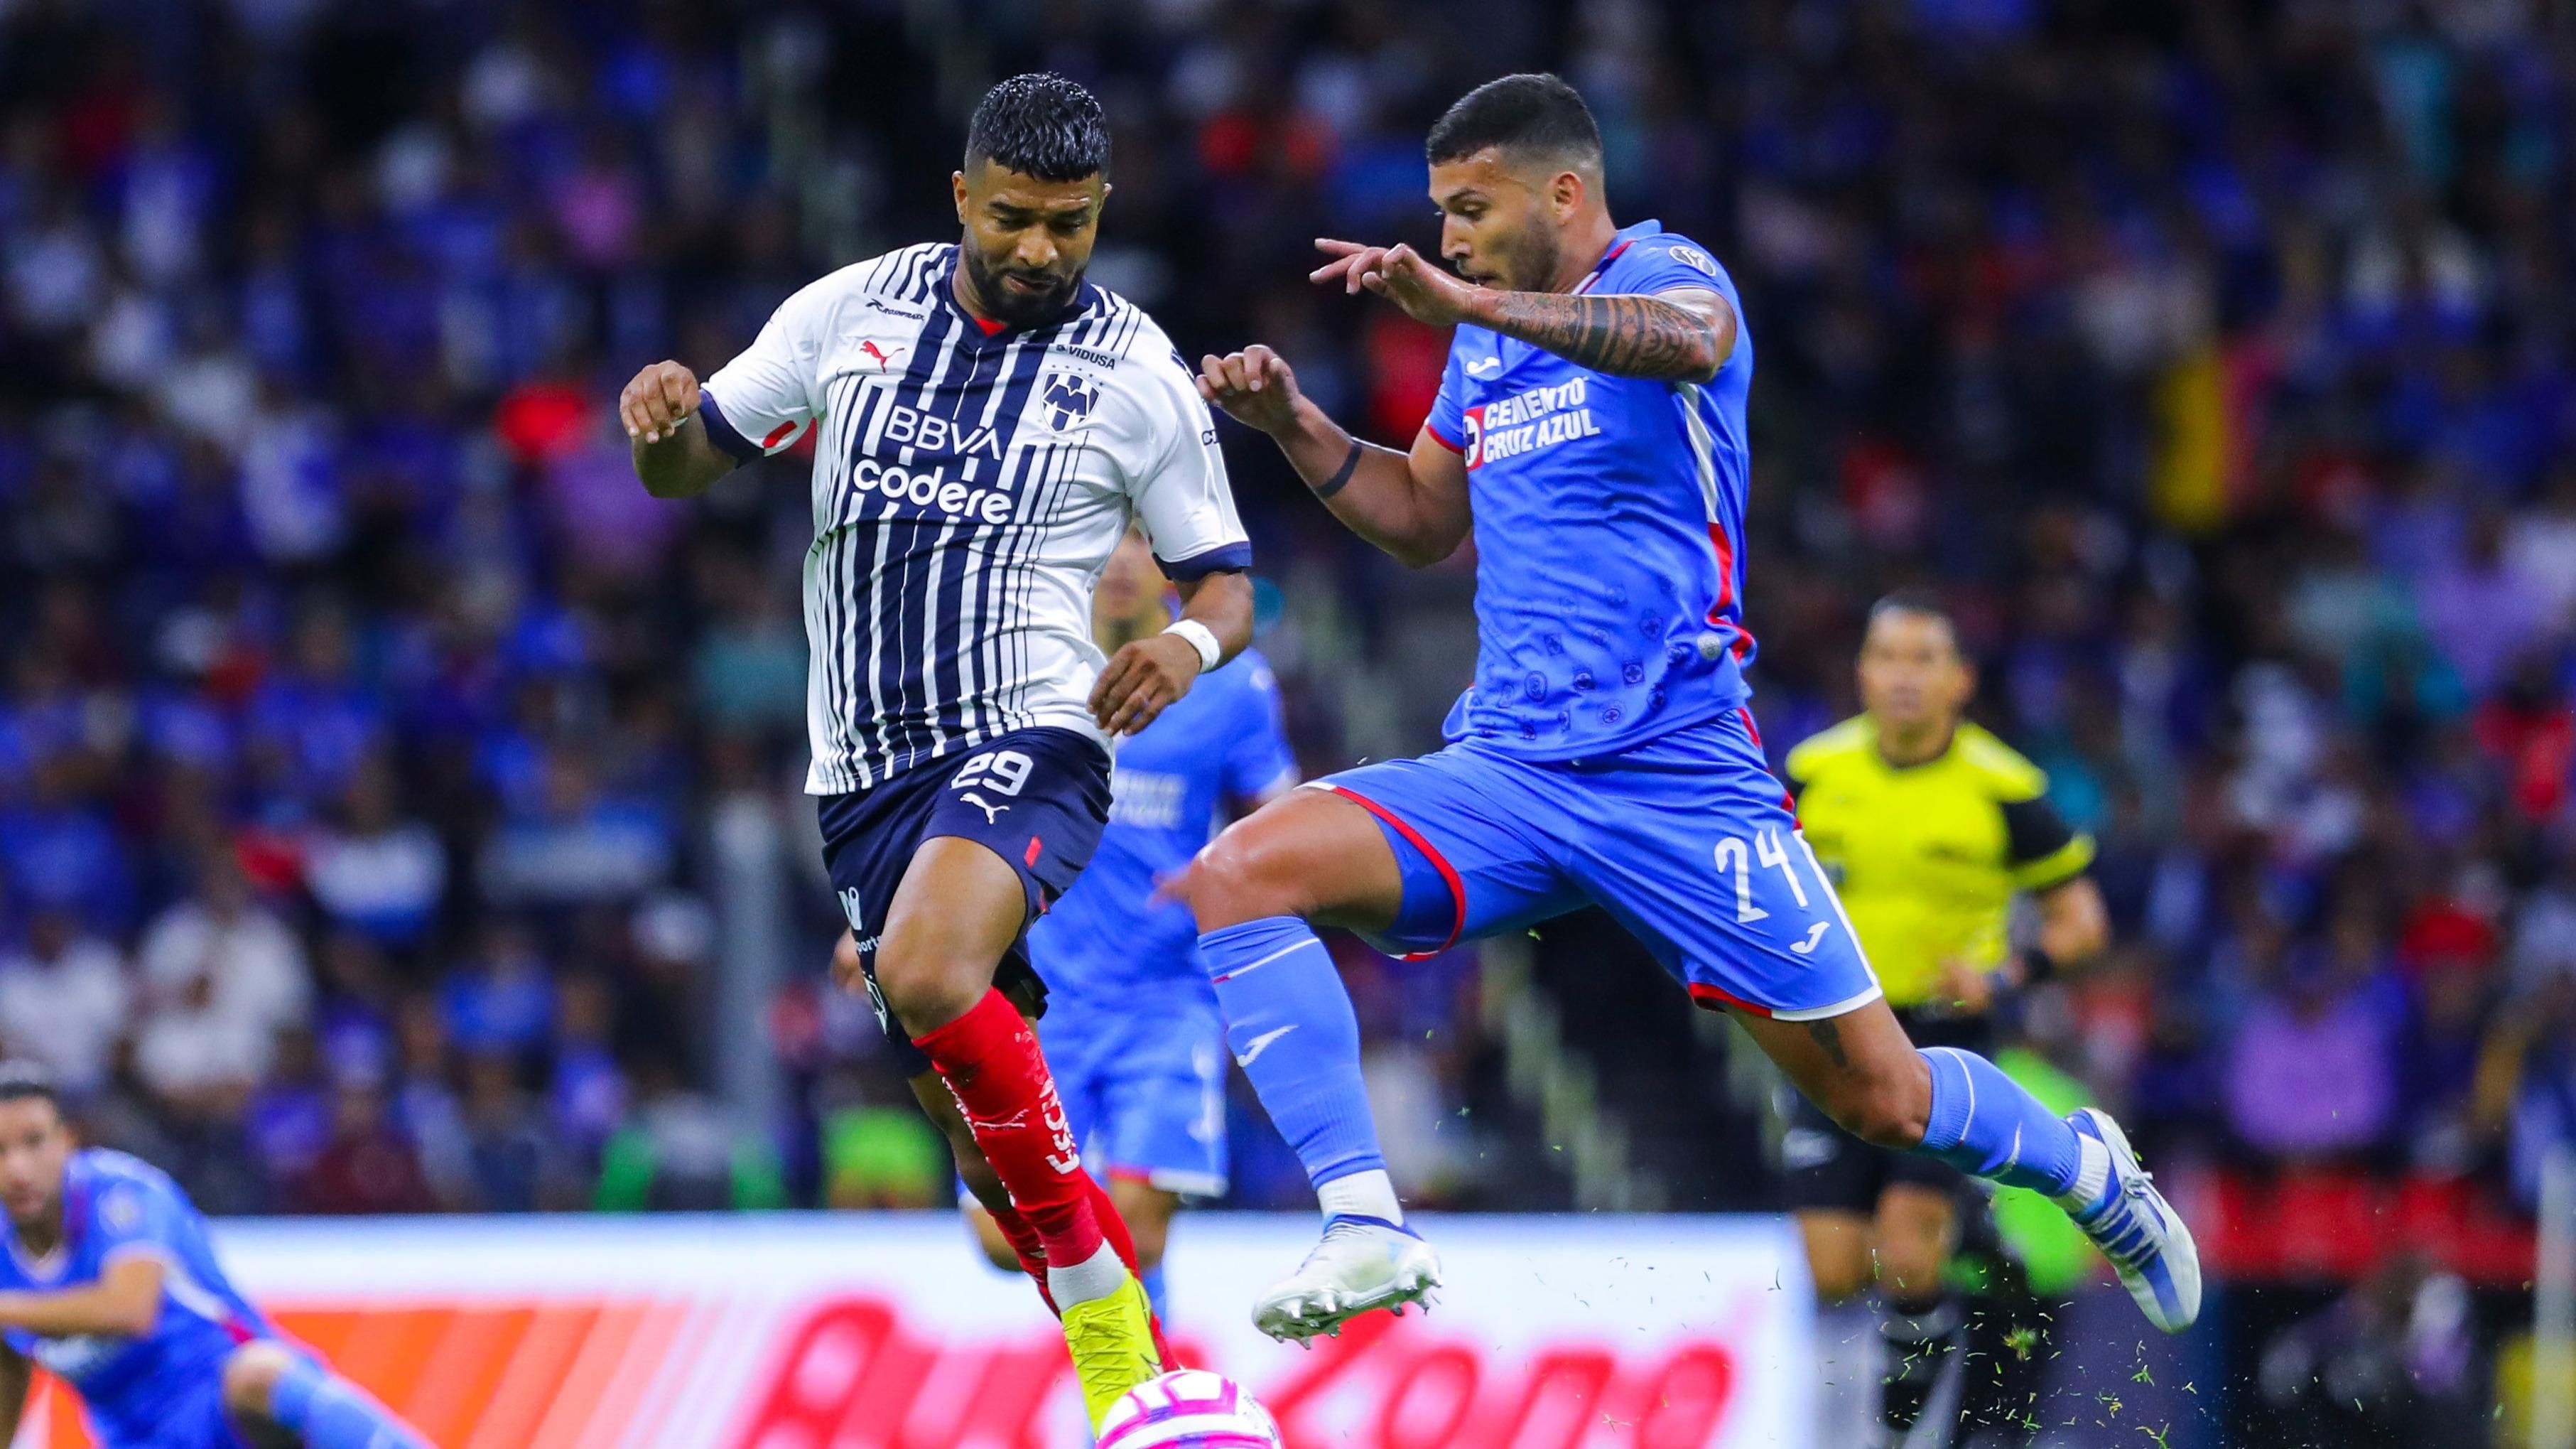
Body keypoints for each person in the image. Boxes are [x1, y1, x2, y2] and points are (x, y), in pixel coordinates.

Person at [1181, 72, 2197, 1343]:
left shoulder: (1673, 275)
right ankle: (1366, 1220)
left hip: (1677, 780)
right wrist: (1293, 424)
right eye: (1442, 214)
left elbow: (1690, 345)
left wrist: (1476, 300)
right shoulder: (1480, 335)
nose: (1446, 238)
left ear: (1562, 190)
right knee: (1233, 875)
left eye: (1469, 207)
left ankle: (2086, 1167)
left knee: (1881, 1096)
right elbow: (1421, 520)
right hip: (1505, 771)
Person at [617, 73, 1251, 1423]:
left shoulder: (1138, 371)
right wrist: (665, 427)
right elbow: (690, 469)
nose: (1039, 250)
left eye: (1069, 226)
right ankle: (1115, 1306)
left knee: (922, 959)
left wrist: (1180, 649)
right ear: (961, 195)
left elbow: (1226, 585)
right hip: (857, 780)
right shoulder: (847, 313)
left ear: (1101, 214)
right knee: (984, 1173)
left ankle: (1118, 1348)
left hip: (1032, 729)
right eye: (1015, 218)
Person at [1780, 593, 2111, 1444]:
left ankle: (1940, 1242)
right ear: (1860, 672)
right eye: (1885, 656)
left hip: (1942, 1037)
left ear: (1959, 679)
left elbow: (2082, 920)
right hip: (1829, 1036)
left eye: (1922, 658)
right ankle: (1960, 1241)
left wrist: (2007, 971)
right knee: (1830, 1270)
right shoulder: (1812, 772)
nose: (1901, 676)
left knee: (1905, 1255)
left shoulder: (2004, 787)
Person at [954, 529, 1299, 1325]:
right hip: (1032, 1002)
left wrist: (1232, 873)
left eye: (1140, 538)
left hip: (1165, 999)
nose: (1117, 559)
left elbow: (1283, 821)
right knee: (997, 1242)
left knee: (1140, 1237)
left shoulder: (1232, 685)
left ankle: (1132, 1413)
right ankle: (1145, 1377)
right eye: (1101, 534)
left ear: (1170, 555)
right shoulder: (1022, 671)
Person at [0, 1063, 429, 1449]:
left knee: (260, 1373)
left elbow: (130, 1308)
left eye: (34, 1143)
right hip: (136, 1439)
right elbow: (11, 1366)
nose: (18, 1169)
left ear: (67, 1140)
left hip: (226, 1400)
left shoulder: (121, 1193)